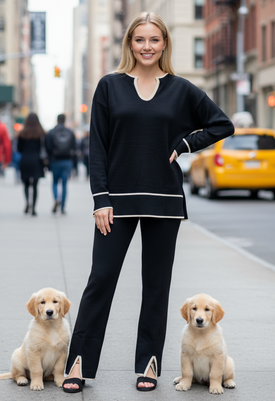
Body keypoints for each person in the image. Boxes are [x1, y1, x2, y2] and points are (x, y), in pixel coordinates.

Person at [62, 12, 234, 394]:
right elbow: (97, 148)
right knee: (100, 281)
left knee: (156, 286)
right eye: (139, 39)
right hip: (115, 204)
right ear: (129, 44)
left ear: (164, 44)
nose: (146, 46)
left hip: (164, 200)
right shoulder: (109, 87)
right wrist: (100, 199)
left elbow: (222, 124)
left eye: (154, 40)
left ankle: (149, 364)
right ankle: (79, 363)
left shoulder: (181, 89)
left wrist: (185, 144)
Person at [46, 114, 76, 214]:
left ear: (57, 120)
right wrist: (74, 165)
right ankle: (62, 207)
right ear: (64, 120)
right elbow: (74, 149)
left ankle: (56, 199)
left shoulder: (51, 132)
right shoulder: (70, 132)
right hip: (67, 161)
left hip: (55, 161)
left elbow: (48, 148)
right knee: (64, 184)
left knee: (54, 182)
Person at [17, 113, 45, 216]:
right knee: (35, 186)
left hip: (25, 160)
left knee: (26, 184)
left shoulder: (22, 133)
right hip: (37, 161)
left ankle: (27, 204)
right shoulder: (41, 133)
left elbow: (19, 149)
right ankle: (33, 208)